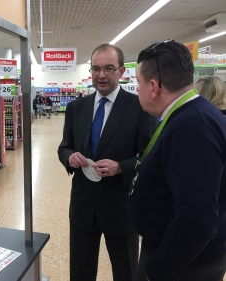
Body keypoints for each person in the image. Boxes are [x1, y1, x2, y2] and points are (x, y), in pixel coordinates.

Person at [58, 43, 157, 281]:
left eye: (109, 69)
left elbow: (149, 158)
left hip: (121, 208)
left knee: (126, 273)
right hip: (83, 207)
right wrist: (69, 157)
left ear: (122, 72)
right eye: (96, 69)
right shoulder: (75, 107)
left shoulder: (140, 107)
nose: (101, 75)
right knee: (80, 273)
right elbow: (64, 147)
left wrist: (120, 167)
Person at [131, 40, 226, 281]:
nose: (137, 89)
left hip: (184, 267)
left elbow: (197, 218)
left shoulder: (192, 128)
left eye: (138, 83)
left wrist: (158, 269)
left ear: (153, 86)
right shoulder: (193, 114)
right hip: (181, 258)